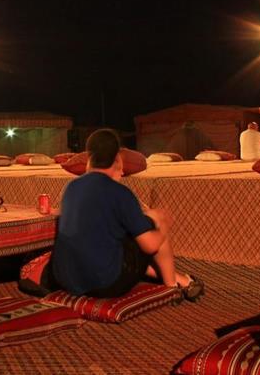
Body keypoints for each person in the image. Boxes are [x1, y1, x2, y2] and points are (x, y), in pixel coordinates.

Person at [52, 128, 203, 300]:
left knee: (119, 238)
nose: (123, 172)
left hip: (68, 279)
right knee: (155, 225)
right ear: (117, 159)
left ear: (88, 158)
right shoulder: (120, 192)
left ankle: (181, 279)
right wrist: (164, 225)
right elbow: (150, 245)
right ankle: (172, 287)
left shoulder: (71, 187)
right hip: (105, 284)